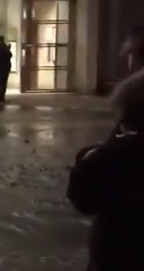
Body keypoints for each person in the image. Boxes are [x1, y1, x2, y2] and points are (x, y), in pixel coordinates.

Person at [66, 26, 144, 271]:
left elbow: (86, 196)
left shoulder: (133, 122)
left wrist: (88, 160)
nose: (125, 59)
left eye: (130, 53)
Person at [0, 36, 12, 102]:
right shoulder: (1, 48)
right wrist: (7, 49)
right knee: (3, 82)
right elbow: (8, 55)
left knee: (0, 82)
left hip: (0, 66)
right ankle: (1, 97)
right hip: (4, 66)